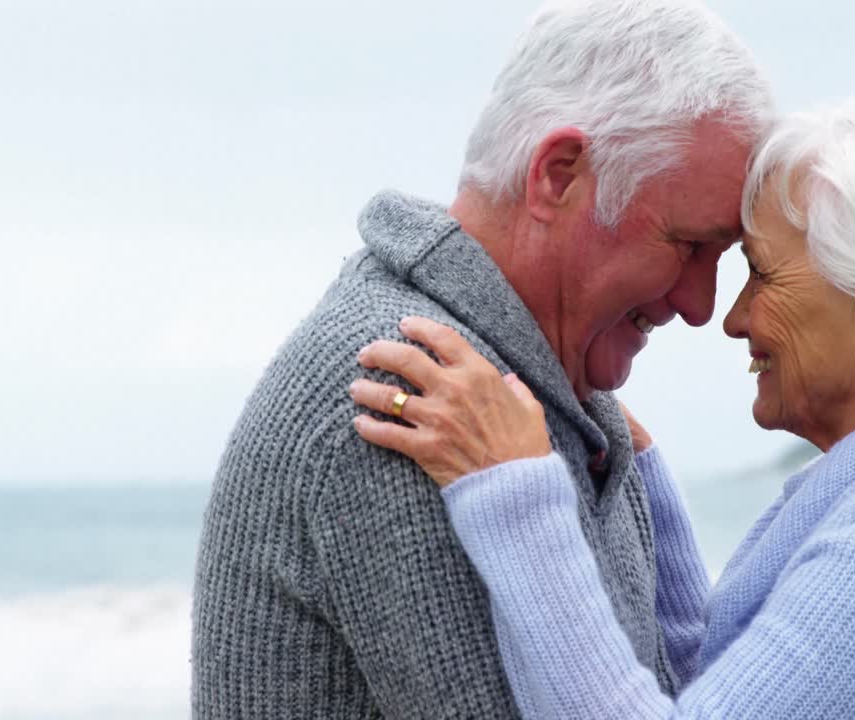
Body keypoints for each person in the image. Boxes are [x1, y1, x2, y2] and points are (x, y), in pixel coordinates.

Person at [350, 100, 855, 718]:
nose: (731, 317)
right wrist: (642, 484)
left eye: (763, 274)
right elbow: (719, 694)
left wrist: (513, 492)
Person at [191, 0, 771, 717]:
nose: (700, 305)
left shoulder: (536, 398)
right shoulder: (410, 392)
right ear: (558, 174)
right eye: (689, 246)